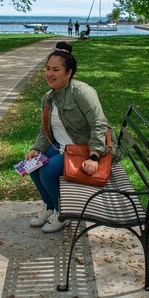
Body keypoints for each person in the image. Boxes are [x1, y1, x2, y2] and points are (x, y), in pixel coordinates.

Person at [25, 42, 122, 233]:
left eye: (56, 70)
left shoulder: (82, 92)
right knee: (31, 167)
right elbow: (45, 129)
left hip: (84, 148)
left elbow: (99, 124)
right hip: (62, 146)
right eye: (47, 69)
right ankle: (50, 207)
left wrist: (94, 156)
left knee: (47, 172)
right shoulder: (48, 97)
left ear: (68, 73)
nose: (50, 74)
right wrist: (36, 148)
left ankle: (63, 215)